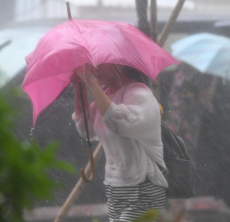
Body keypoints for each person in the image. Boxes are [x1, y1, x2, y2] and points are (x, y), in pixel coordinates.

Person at [71, 63, 168, 222]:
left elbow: (115, 121)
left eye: (101, 63)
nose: (95, 69)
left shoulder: (141, 95)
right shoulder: (108, 95)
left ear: (120, 64)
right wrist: (80, 87)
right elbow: (86, 128)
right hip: (116, 186)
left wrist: (90, 82)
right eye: (94, 64)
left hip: (142, 187)